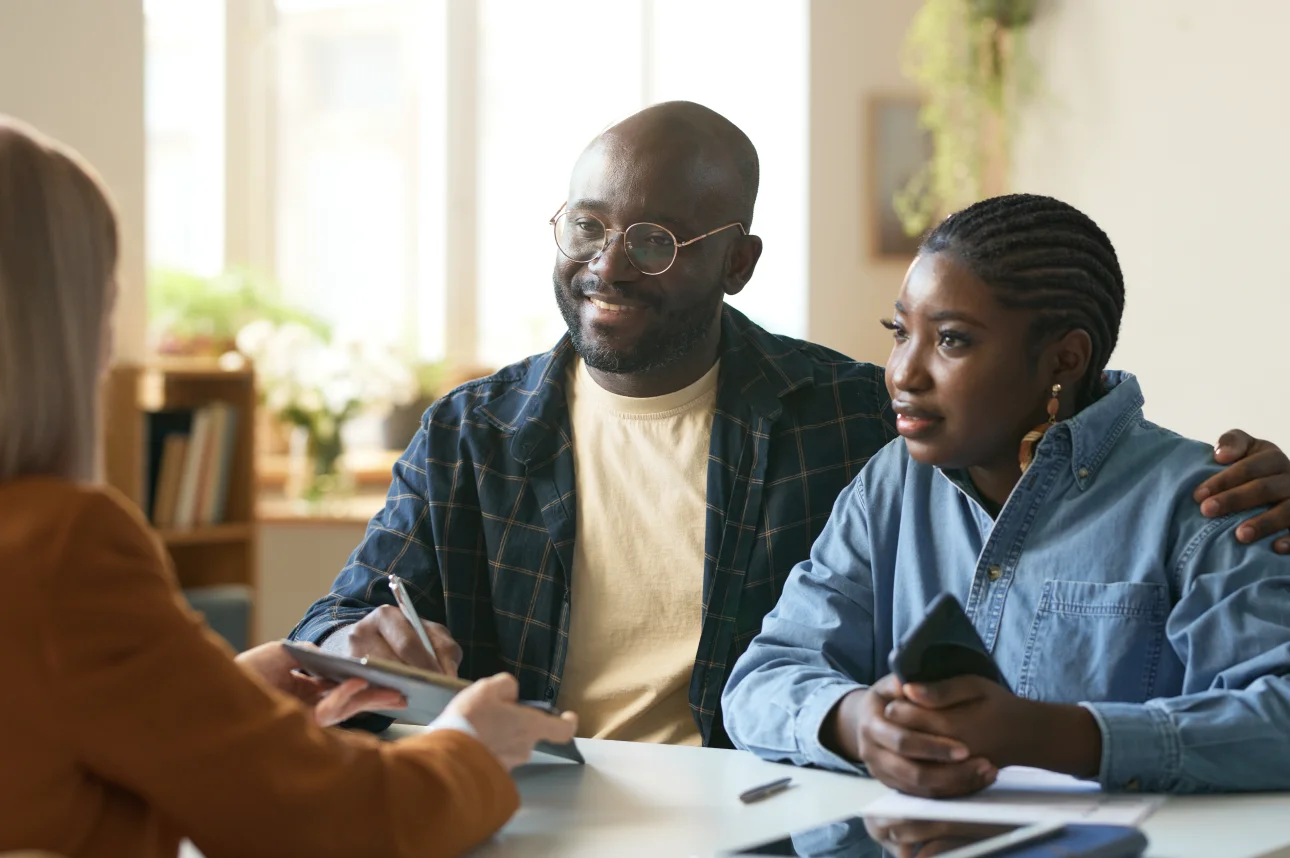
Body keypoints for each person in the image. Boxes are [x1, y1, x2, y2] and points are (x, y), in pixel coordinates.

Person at [292, 101, 1290, 749]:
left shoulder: (861, 420)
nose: (607, 264)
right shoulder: (471, 435)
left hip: (759, 822)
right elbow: (331, 626)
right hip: (530, 810)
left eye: (652, 239)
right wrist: (359, 636)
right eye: (587, 227)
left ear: (737, 264)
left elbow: (1062, 456)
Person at [0, 116, 576, 858]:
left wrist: (232, 695)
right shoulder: (61, 547)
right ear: (67, 327)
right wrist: (471, 745)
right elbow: (332, 821)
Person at [721, 194, 1290, 796]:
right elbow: (763, 679)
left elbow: (1277, 718)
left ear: (1065, 359)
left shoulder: (1210, 500)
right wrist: (857, 724)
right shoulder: (889, 485)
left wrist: (1050, 736)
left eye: (952, 341)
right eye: (900, 332)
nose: (902, 373)